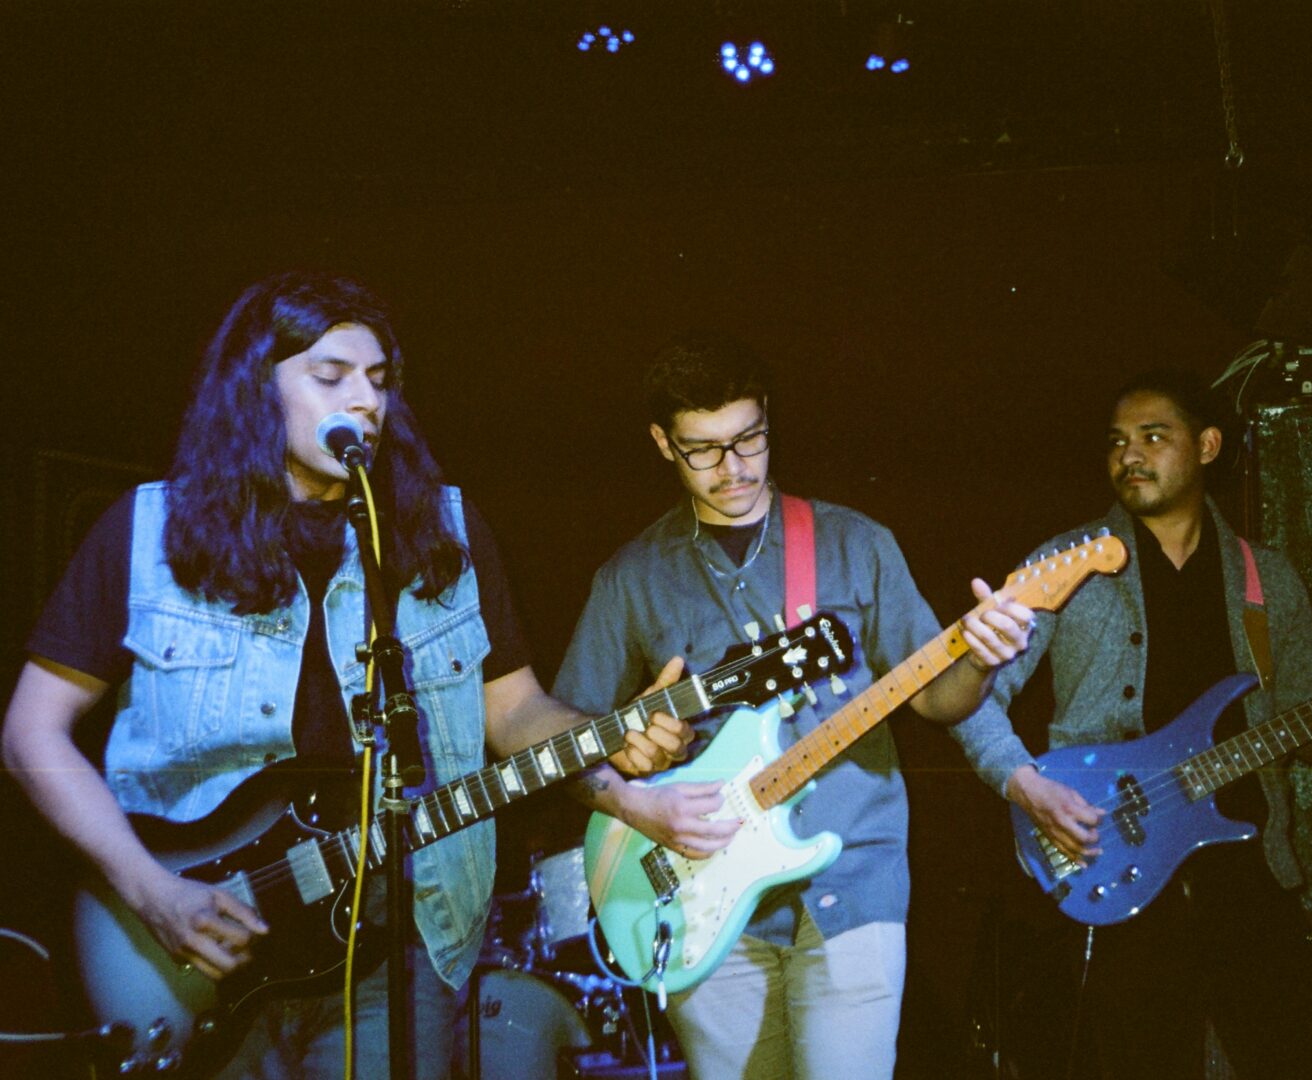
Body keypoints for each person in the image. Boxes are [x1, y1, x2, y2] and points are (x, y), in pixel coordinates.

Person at [0, 271, 690, 1079]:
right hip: (193, 939)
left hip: (401, 944)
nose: (364, 399)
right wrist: (151, 890)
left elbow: (514, 711)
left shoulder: (444, 533)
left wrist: (606, 742)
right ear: (256, 389)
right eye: (330, 376)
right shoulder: (147, 532)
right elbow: (30, 734)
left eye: (378, 379)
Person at [551, 332, 1034, 1080]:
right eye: (703, 450)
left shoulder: (856, 544)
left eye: (749, 439)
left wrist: (977, 657)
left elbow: (937, 700)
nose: (733, 467)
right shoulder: (630, 578)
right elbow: (562, 744)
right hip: (702, 896)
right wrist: (631, 793)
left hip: (854, 877)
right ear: (662, 443)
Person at [952, 368, 1312, 1080]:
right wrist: (1023, 784)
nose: (1129, 455)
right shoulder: (1063, 565)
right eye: (1117, 441)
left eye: (1153, 436)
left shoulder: (1267, 578)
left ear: (1208, 446)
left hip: (1248, 876)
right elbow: (969, 696)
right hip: (1119, 869)